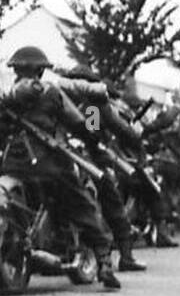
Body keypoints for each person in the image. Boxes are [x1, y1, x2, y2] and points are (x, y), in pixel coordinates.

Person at [0, 46, 121, 289]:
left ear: (16, 69)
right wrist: (94, 143)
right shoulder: (56, 93)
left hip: (12, 162)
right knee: (82, 204)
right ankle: (105, 259)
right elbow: (81, 124)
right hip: (47, 161)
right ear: (40, 70)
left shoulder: (1, 96)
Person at [55, 64, 148, 272]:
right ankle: (126, 256)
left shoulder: (58, 95)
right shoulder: (94, 104)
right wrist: (137, 143)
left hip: (58, 156)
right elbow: (98, 133)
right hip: (86, 158)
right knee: (111, 199)